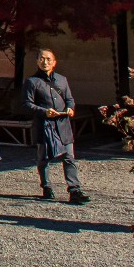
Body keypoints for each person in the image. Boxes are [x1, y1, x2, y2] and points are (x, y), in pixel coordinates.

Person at [22, 48, 87, 204]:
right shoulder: (32, 82)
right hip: (44, 125)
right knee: (44, 158)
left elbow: (69, 99)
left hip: (62, 124)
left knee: (69, 157)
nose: (45, 62)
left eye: (48, 59)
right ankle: (46, 186)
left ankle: (74, 190)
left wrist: (71, 108)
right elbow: (26, 104)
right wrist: (44, 112)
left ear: (54, 62)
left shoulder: (62, 80)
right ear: (37, 61)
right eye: (42, 59)